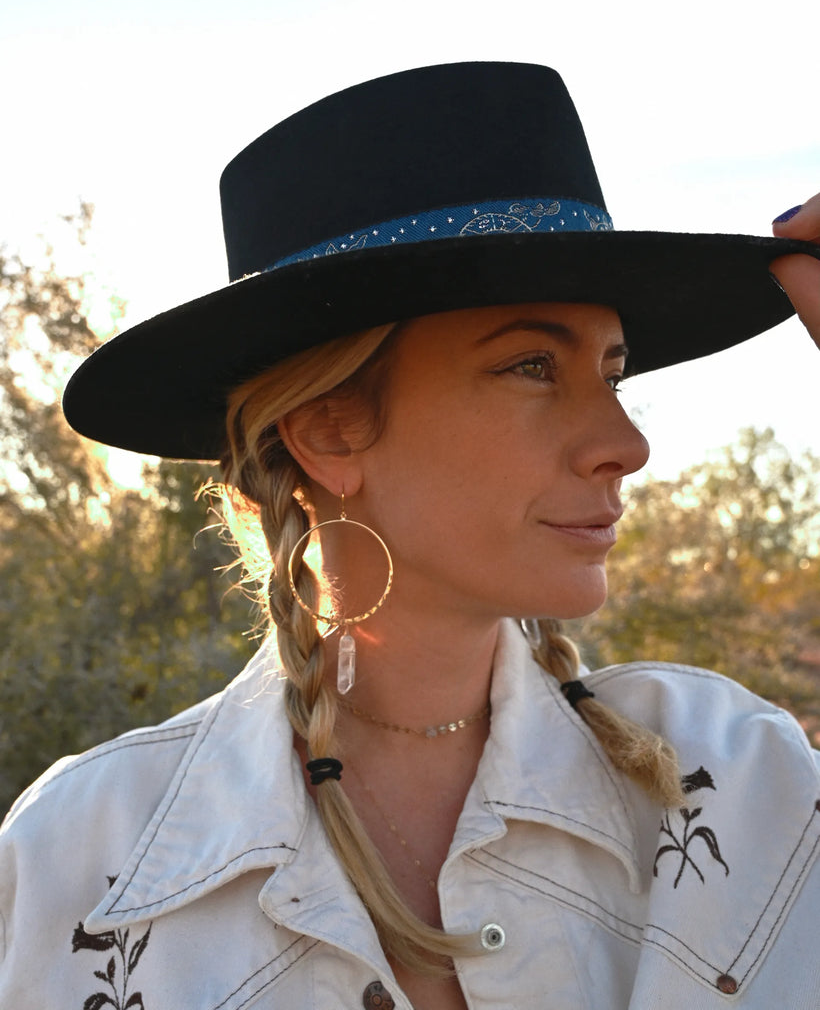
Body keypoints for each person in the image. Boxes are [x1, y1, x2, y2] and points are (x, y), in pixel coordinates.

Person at [1, 62, 818, 1010]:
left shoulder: (742, 784)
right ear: (330, 430)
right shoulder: (79, 861)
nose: (625, 445)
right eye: (531, 367)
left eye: (613, 373)